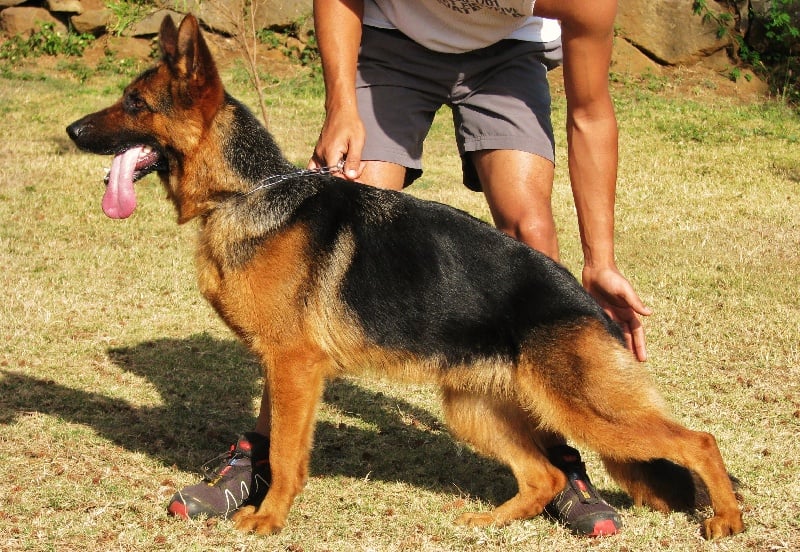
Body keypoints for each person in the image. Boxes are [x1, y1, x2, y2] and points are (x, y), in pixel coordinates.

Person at [168, 0, 652, 537]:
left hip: (508, 51)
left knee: (529, 230)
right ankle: (260, 458)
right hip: (392, 43)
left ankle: (556, 461)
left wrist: (599, 261)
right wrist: (341, 102)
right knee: (346, 227)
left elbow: (590, 112)